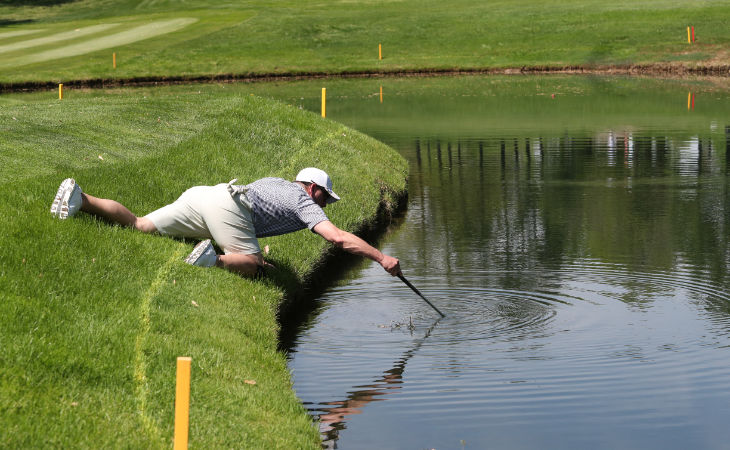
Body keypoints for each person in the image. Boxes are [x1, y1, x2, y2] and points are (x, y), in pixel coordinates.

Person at [50, 168, 401, 278]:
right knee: (251, 265)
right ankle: (211, 259)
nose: (325, 203)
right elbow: (337, 238)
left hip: (205, 194)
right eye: (325, 196)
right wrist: (382, 259)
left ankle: (81, 198)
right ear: (312, 188)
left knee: (141, 225)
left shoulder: (278, 182)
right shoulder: (303, 201)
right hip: (229, 208)